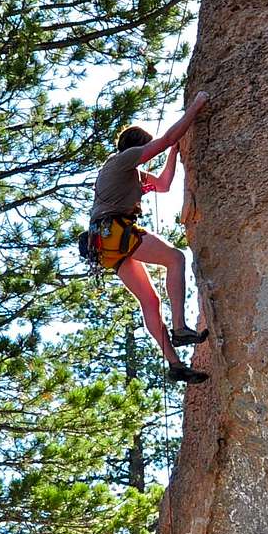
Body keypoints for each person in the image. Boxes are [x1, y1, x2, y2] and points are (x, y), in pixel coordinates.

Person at [89, 92, 210, 383]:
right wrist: (196, 106)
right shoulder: (122, 161)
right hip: (115, 231)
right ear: (137, 147)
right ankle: (179, 327)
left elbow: (164, 185)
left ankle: (175, 364)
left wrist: (174, 150)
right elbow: (165, 139)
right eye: (147, 148)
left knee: (150, 301)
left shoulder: (132, 175)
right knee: (175, 259)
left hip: (105, 244)